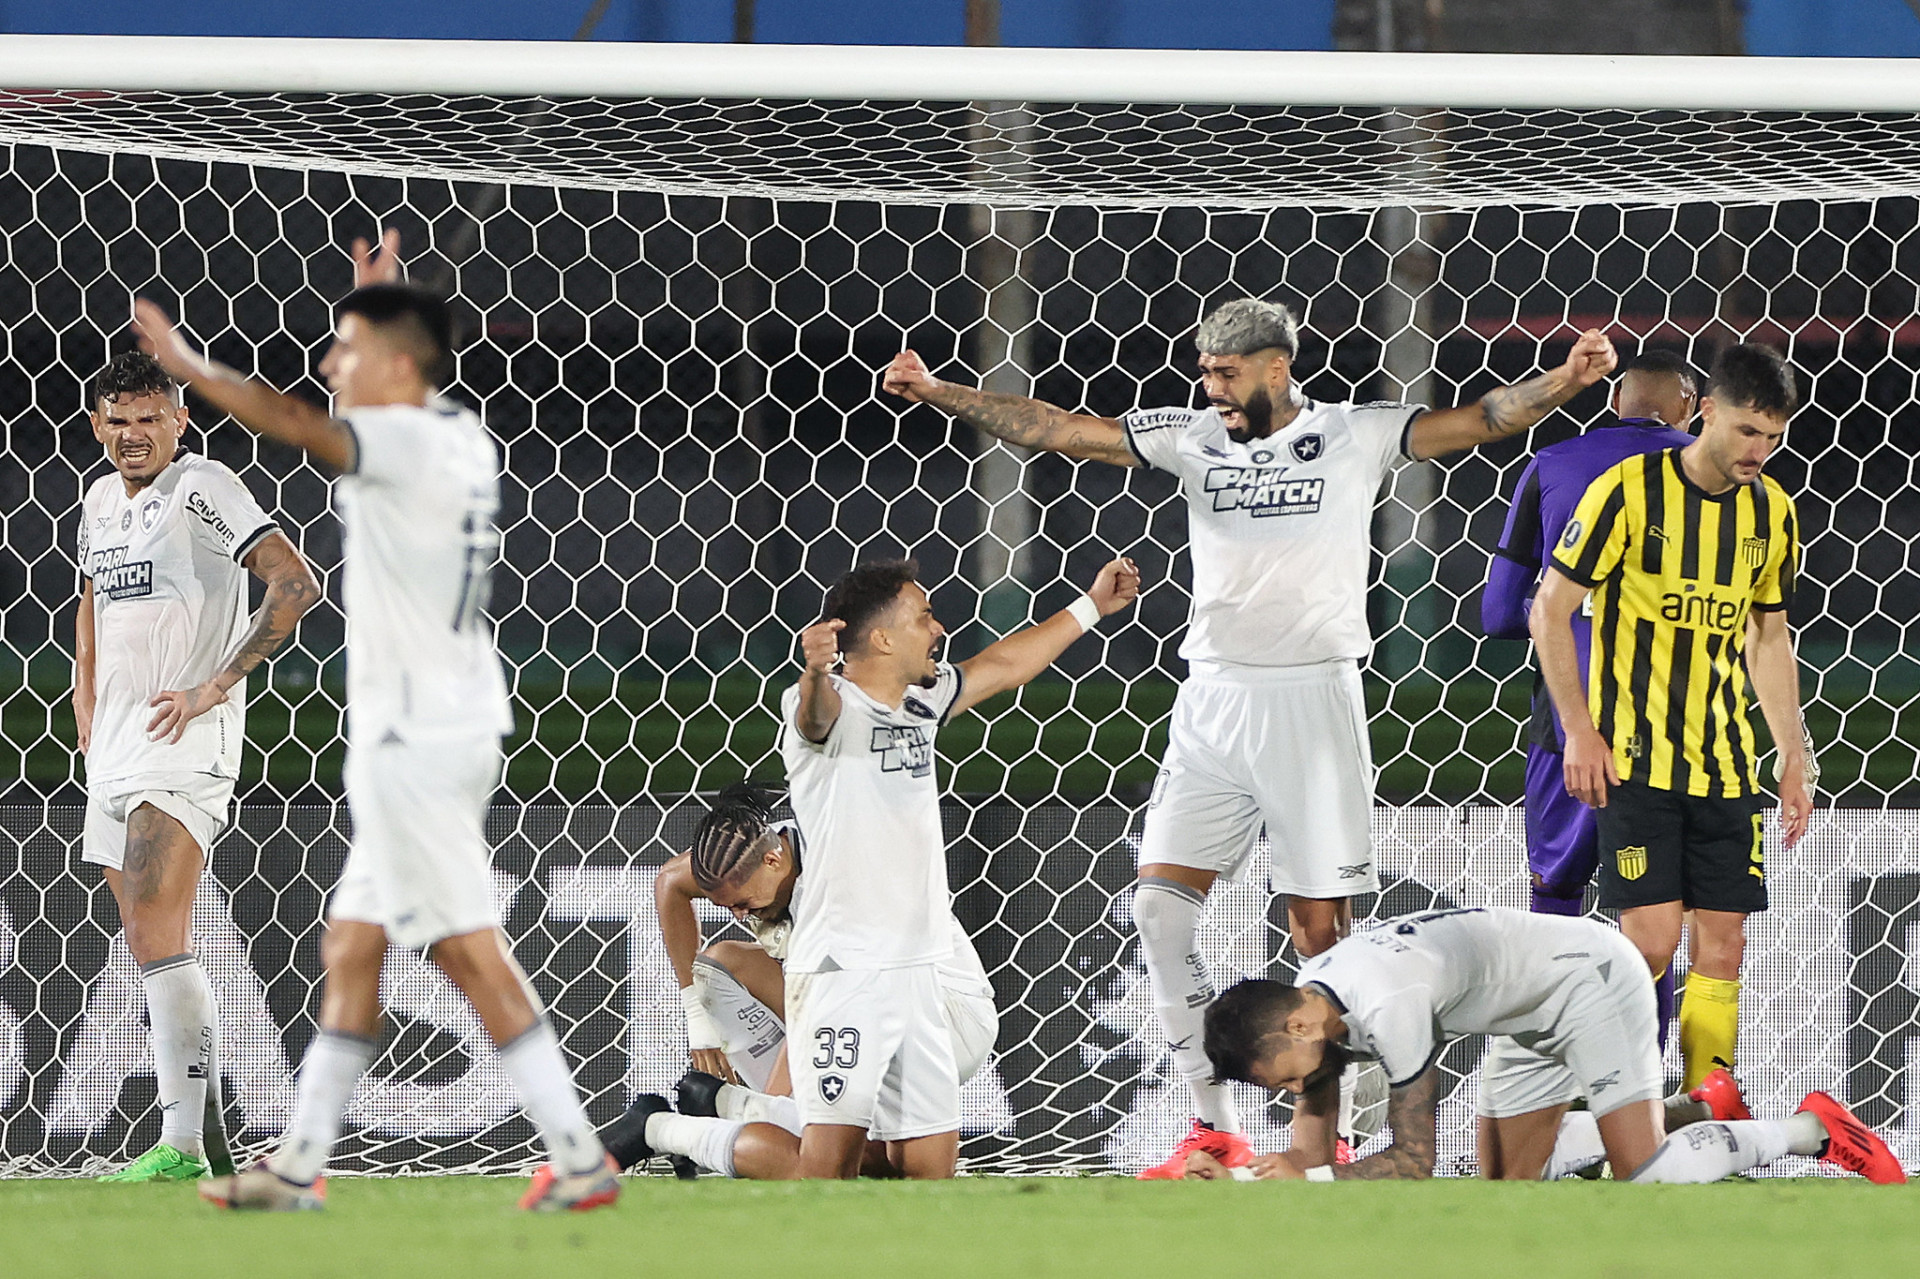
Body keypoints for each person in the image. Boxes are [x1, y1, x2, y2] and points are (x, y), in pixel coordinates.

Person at [883, 299, 1619, 1176]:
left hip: (1313, 702)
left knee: (1321, 940)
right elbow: (1060, 429)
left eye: (1226, 373)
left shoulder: (1353, 432)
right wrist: (939, 391)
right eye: (1204, 371)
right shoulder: (1192, 436)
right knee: (1157, 912)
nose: (1212, 387)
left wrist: (1567, 379)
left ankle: (1340, 1128)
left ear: (1276, 367)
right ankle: (1213, 1125)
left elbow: (1486, 417)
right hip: (1213, 701)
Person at [132, 229, 616, 1212]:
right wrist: (378, 301)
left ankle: (580, 1156)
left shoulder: (400, 440)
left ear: (397, 365)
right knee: (353, 945)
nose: (328, 364)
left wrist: (191, 367)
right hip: (443, 724)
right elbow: (359, 419)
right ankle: (299, 1166)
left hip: (416, 739)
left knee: (467, 948)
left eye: (346, 348)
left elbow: (299, 423)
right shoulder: (457, 435)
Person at [778, 554, 1137, 1179]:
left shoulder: (923, 701)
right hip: (845, 970)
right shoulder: (827, 706)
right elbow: (814, 717)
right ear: (882, 639)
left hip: (922, 972)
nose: (938, 628)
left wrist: (1092, 607)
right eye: (924, 616)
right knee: (826, 1173)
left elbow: (1002, 665)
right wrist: (814, 671)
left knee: (930, 1176)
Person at [1530, 343, 1811, 1096]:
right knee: (1648, 947)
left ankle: (1705, 1110)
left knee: (1724, 946)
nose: (1759, 451)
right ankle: (1595, 1102)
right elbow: (1549, 610)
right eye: (1748, 430)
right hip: (1636, 758)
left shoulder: (1771, 512)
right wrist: (1579, 730)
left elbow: (1768, 635)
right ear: (1706, 411)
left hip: (1725, 764)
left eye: (1774, 437)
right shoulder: (1628, 490)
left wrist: (1794, 752)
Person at [75, 351, 320, 1182]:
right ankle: (207, 1141)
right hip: (114, 747)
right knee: (150, 943)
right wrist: (84, 698)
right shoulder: (98, 501)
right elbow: (90, 602)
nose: (132, 433)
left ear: (179, 420)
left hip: (183, 744)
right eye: (117, 419)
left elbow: (294, 583)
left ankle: (180, 1143)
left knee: (156, 928)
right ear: (98, 424)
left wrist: (215, 685)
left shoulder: (202, 486)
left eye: (149, 418)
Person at [1187, 907, 1903, 1184]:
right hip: (1526, 1013)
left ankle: (1809, 1129)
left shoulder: (1385, 1001)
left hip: (1591, 979)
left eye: (1281, 1078)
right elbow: (1310, 1151)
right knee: (1508, 1188)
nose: (1290, 1090)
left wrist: (1304, 1179)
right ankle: (1698, 1108)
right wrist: (1244, 1182)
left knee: (1645, 1176)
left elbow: (1412, 1162)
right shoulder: (1313, 1004)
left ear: (1297, 1027)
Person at [585, 782, 1000, 1181]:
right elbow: (672, 881)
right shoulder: (757, 852)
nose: (738, 915)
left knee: (852, 1164)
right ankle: (721, 1108)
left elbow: (813, 1013)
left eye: (743, 903)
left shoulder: (830, 901)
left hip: (947, 1021)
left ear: (772, 862)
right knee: (719, 968)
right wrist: (697, 1018)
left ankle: (670, 1125)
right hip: (869, 1005)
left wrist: (771, 1117)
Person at [1482, 349, 1698, 1053]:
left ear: (1614, 402)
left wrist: (1572, 615)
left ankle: (1551, 1076)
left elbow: (1498, 613)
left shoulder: (1551, 463)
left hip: (1566, 721)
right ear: (1690, 407)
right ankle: (1646, 1080)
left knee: (1555, 896)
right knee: (1657, 913)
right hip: (1674, 722)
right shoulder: (1714, 472)